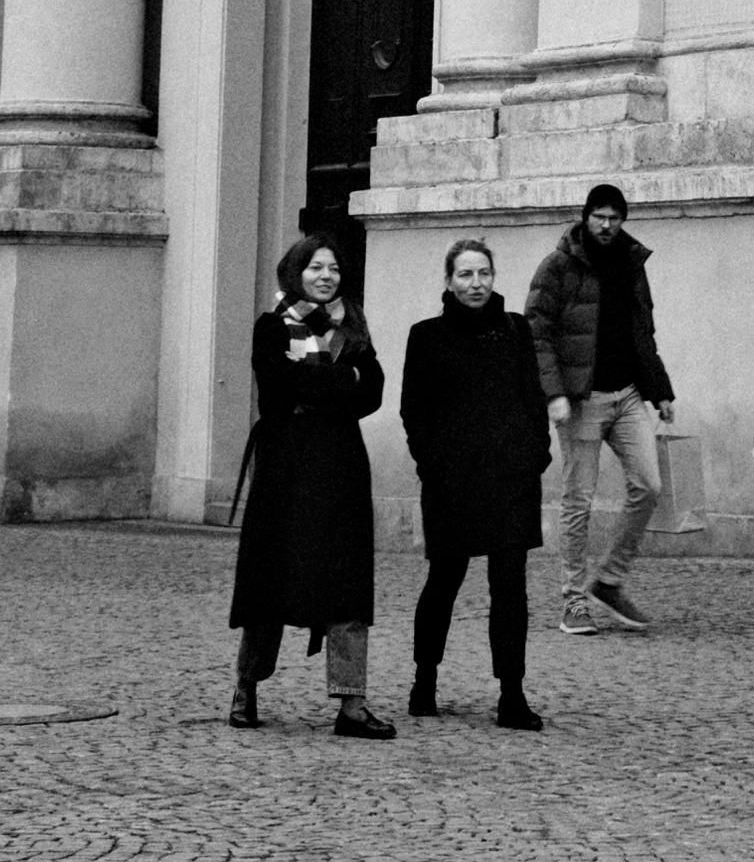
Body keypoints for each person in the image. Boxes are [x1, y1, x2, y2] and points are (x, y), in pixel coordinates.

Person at [227, 235, 392, 737]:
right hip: (286, 466)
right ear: (295, 272)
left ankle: (352, 704)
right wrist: (343, 380)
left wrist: (320, 381)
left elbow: (375, 390)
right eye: (317, 267)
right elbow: (279, 386)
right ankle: (246, 685)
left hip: (340, 465)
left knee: (346, 579)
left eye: (334, 268)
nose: (327, 276)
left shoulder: (354, 325)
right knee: (270, 577)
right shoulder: (271, 326)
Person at [399, 238, 547, 730]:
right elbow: (413, 412)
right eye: (465, 275)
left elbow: (533, 397)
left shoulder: (515, 331)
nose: (476, 283)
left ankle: (512, 693)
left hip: (510, 480)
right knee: (444, 580)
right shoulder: (426, 336)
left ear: (493, 276)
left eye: (483, 273)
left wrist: (536, 455)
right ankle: (424, 680)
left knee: (510, 587)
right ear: (448, 281)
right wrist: (431, 464)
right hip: (452, 483)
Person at [527, 182, 677, 635]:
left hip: (628, 394)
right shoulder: (557, 266)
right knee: (579, 500)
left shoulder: (632, 263)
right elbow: (537, 333)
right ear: (586, 216)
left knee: (649, 485)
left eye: (615, 218)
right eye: (600, 217)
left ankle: (609, 581)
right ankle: (573, 601)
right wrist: (553, 393)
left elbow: (642, 333)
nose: (608, 225)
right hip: (582, 400)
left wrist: (660, 390)